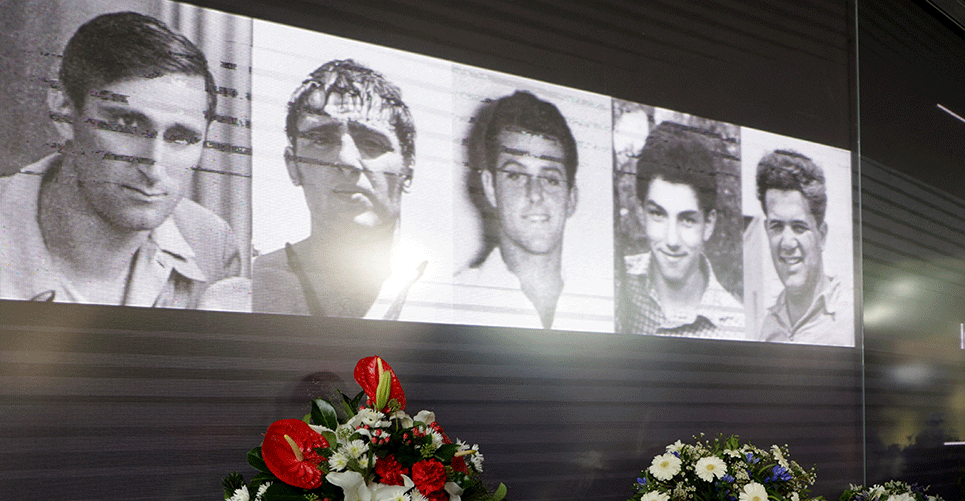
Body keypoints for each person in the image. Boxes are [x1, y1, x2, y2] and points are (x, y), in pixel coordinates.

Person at [0, 11, 243, 308]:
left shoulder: (212, 243)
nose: (153, 166)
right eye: (127, 125)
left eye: (181, 137)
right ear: (64, 109)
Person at [252, 59, 425, 319]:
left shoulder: (457, 294)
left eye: (372, 143)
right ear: (293, 166)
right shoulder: (248, 291)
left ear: (408, 169)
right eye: (321, 140)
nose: (346, 160)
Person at [456, 90, 581, 329]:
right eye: (515, 175)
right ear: (491, 187)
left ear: (571, 198)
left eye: (551, 178)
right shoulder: (456, 299)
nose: (535, 193)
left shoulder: (601, 303)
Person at [615, 121, 743, 339]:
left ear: (708, 224)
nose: (672, 240)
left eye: (687, 220)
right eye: (658, 214)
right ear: (640, 213)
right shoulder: (618, 281)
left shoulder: (737, 327)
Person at [753, 149, 853, 346]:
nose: (787, 243)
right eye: (777, 227)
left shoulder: (851, 319)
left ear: (821, 236)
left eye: (799, 227)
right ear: (767, 231)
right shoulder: (767, 329)